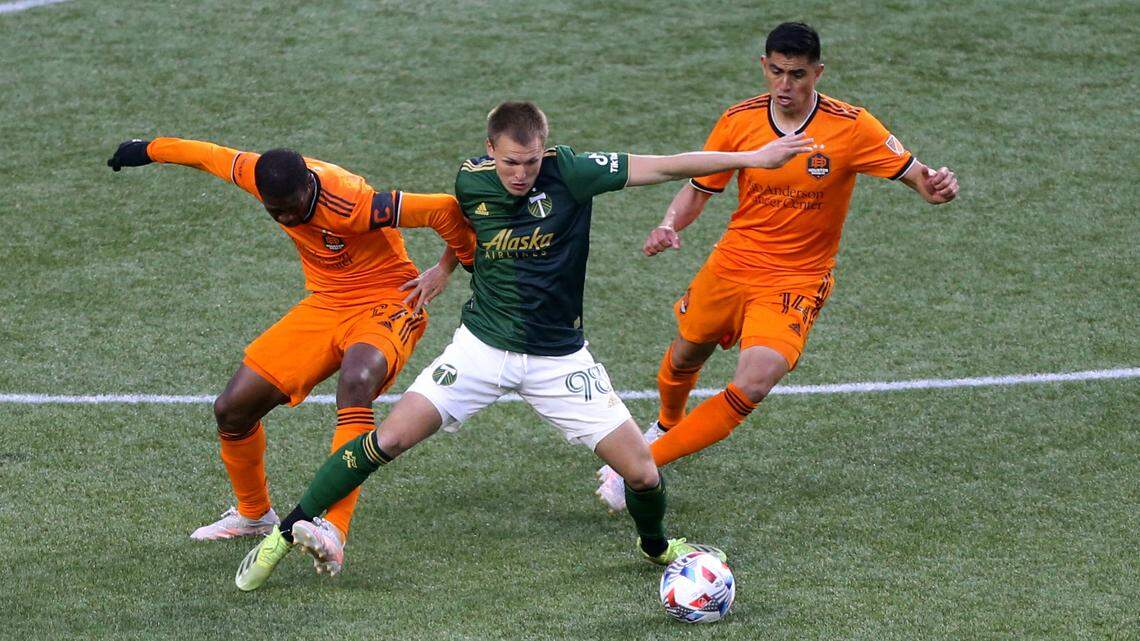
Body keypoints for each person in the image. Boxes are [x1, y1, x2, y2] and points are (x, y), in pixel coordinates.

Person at [232, 101, 820, 591]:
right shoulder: (470, 180)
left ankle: (658, 548)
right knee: (385, 439)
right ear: (491, 151)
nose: (522, 174)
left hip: (559, 360)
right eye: (511, 162)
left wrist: (752, 157)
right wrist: (442, 268)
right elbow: (455, 220)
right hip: (479, 351)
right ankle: (285, 533)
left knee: (642, 474)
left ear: (547, 149)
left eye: (532, 161)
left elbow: (667, 166)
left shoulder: (573, 172)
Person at [594, 21, 960, 510]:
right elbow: (702, 184)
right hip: (733, 263)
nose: (786, 86)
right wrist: (669, 223)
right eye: (777, 72)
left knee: (755, 380)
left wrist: (935, 188)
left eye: (799, 75)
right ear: (763, 66)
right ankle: (666, 422)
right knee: (685, 356)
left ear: (818, 72)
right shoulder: (740, 120)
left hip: (797, 278)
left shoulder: (852, 127)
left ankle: (644, 463)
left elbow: (919, 178)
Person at [107, 137, 476, 573]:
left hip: (388, 299)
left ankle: (333, 531)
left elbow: (445, 209)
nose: (283, 216)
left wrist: (455, 266)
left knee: (356, 383)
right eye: (273, 210)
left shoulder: (352, 202)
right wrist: (144, 149)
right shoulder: (258, 175)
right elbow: (206, 156)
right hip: (327, 303)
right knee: (232, 409)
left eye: (290, 207)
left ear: (308, 187)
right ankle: (253, 515)